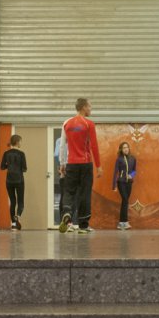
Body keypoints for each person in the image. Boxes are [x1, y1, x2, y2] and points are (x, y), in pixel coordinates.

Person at [58, 98, 101, 234]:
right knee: (84, 193)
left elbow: (62, 145)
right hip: (85, 163)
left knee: (69, 191)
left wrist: (62, 163)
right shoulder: (89, 124)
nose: (90, 109)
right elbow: (94, 146)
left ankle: (67, 212)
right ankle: (83, 225)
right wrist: (98, 165)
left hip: (71, 163)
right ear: (83, 107)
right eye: (89, 106)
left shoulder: (66, 123)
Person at [0, 134, 27, 230]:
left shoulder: (6, 153)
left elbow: (2, 167)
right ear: (17, 142)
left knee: (13, 201)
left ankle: (14, 224)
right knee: (20, 201)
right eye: (20, 141)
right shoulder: (21, 154)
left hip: (9, 180)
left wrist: (9, 166)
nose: (21, 143)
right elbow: (24, 169)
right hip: (19, 180)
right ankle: (18, 216)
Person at [112, 141, 137, 230]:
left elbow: (134, 170)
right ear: (121, 150)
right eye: (124, 148)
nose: (126, 149)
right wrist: (114, 185)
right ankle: (125, 222)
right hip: (121, 182)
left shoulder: (133, 158)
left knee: (125, 201)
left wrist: (131, 175)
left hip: (129, 182)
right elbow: (115, 172)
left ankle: (121, 223)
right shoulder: (119, 159)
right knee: (125, 200)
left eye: (127, 147)